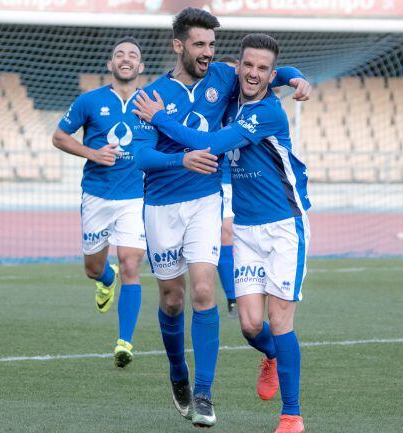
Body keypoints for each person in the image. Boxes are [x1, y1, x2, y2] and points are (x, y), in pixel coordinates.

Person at [131, 7, 311, 429]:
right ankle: (179, 371)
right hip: (163, 206)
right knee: (194, 306)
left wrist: (295, 75)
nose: (209, 53)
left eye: (213, 45)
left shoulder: (230, 83)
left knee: (204, 291)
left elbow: (266, 68)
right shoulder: (152, 93)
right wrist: (177, 155)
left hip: (223, 206)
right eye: (200, 44)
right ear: (179, 46)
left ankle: (215, 397)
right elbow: (139, 155)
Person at [52, 37, 147, 369]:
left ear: (140, 67)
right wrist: (92, 153)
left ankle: (125, 342)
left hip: (136, 197)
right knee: (93, 267)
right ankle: (107, 279)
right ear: (110, 65)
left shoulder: (151, 104)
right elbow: (59, 136)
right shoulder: (89, 101)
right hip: (96, 195)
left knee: (132, 264)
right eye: (119, 55)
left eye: (132, 55)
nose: (125, 59)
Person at [217, 55, 239, 317]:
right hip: (215, 179)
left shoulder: (247, 104)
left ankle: (237, 294)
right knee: (224, 233)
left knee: (231, 234)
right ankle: (232, 296)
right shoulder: (211, 103)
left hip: (243, 180)